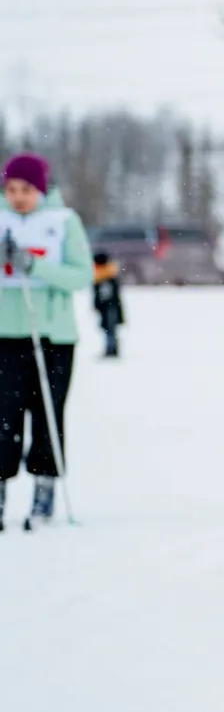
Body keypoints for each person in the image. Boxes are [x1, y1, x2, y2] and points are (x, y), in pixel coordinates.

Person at [0, 154, 93, 532]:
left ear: (40, 189)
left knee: (47, 413)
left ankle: (45, 488)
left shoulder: (63, 222)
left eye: (26, 190)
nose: (18, 197)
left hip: (52, 336)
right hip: (6, 334)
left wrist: (36, 266)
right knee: (4, 416)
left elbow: (81, 275)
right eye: (11, 189)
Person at [93, 252, 125, 358]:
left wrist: (100, 305)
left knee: (110, 330)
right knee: (109, 330)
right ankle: (111, 349)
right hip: (108, 308)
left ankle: (111, 350)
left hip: (109, 308)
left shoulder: (105, 277)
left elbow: (106, 296)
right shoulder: (105, 275)